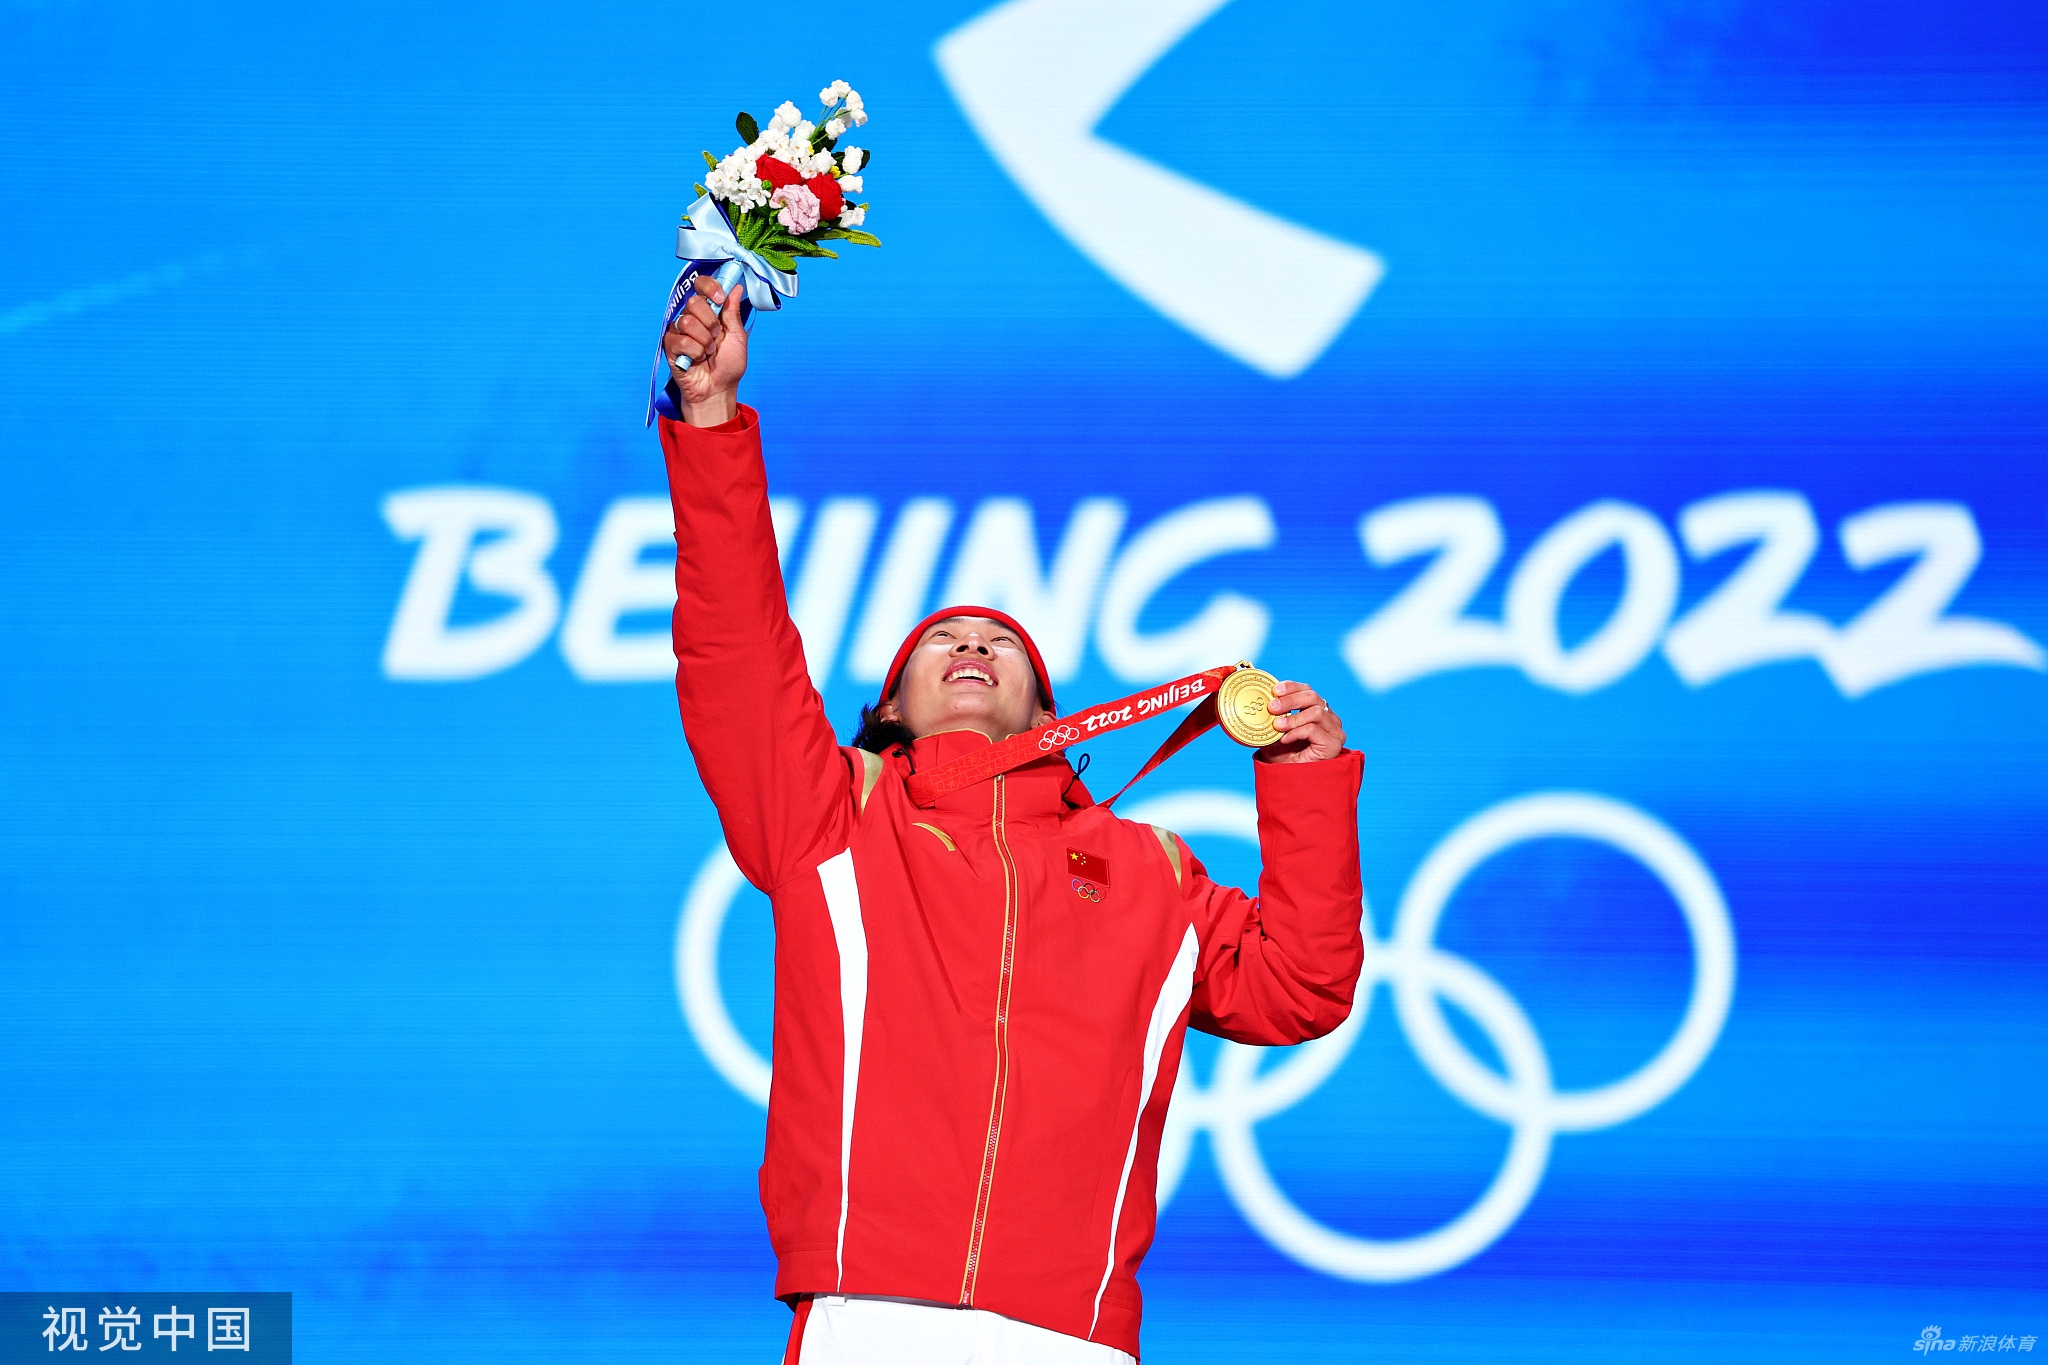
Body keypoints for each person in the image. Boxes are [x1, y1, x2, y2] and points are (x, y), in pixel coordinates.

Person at [658, 280, 1366, 1365]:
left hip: (1068, 1338)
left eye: (1000, 642)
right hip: (871, 1317)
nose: (972, 648)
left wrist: (1307, 784)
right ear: (887, 710)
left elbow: (1300, 987)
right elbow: (735, 649)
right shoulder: (833, 819)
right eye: (939, 644)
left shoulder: (1150, 874)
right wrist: (708, 424)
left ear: (1048, 711)